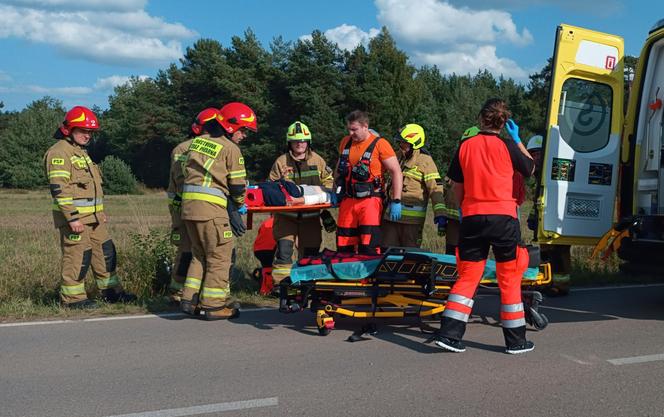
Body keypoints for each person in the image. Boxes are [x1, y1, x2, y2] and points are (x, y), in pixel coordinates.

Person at [432, 98, 536, 354]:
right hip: (503, 218)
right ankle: (516, 342)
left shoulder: (465, 146)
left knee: (468, 276)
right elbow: (530, 169)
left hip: (473, 217)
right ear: (504, 122)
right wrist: (519, 140)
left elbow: (457, 184)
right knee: (509, 277)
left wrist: (463, 208)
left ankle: (449, 336)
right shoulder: (509, 145)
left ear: (481, 118)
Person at [43, 106, 136, 308]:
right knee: (78, 256)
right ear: (69, 129)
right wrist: (72, 218)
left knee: (105, 253)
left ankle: (111, 293)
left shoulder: (81, 153)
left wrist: (99, 212)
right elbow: (60, 189)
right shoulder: (59, 153)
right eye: (83, 131)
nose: (88, 136)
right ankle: (73, 299)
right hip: (76, 220)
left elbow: (91, 188)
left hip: (94, 218)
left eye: (90, 132)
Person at [179, 103, 256, 320]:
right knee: (220, 257)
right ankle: (213, 305)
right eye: (243, 131)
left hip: (190, 209)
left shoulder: (198, 142)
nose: (244, 136)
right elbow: (238, 186)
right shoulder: (231, 149)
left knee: (199, 255)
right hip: (212, 211)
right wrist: (239, 204)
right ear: (231, 126)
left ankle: (190, 299)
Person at [269, 121, 334, 285]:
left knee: (310, 252)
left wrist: (316, 194)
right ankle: (281, 285)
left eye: (303, 140)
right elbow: (270, 188)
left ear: (308, 142)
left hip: (311, 217)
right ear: (289, 142)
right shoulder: (281, 162)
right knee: (284, 251)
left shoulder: (318, 161)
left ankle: (306, 283)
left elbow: (329, 183)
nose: (300, 144)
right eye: (296, 141)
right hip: (286, 216)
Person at [165, 109, 218, 302]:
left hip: (202, 205)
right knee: (187, 250)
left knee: (205, 250)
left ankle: (199, 291)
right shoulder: (183, 149)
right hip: (184, 205)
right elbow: (181, 180)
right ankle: (177, 292)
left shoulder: (217, 146)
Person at [335, 110, 403, 255]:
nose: (351, 133)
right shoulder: (345, 142)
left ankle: (369, 276)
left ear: (365, 126)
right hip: (348, 200)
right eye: (349, 129)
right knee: (344, 244)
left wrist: (396, 200)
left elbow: (396, 172)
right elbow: (339, 169)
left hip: (370, 200)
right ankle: (346, 275)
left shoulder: (380, 144)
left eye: (354, 129)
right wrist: (335, 190)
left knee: (368, 244)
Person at [382, 124, 446, 248]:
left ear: (414, 144)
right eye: (400, 142)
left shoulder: (425, 162)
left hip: (412, 223)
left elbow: (435, 189)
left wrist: (440, 213)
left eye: (404, 143)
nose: (401, 146)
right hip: (391, 219)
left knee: (410, 258)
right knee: (388, 256)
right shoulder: (397, 157)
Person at [525, 134, 572, 296]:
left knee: (559, 251)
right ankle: (548, 282)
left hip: (557, 219)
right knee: (545, 253)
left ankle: (561, 286)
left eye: (539, 153)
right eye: (533, 154)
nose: (536, 158)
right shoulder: (538, 175)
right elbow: (538, 200)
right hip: (544, 221)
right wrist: (532, 217)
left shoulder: (556, 170)